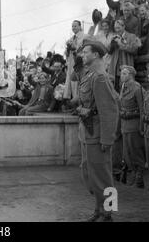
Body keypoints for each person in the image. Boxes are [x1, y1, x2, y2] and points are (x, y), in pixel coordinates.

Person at [77, 40, 119, 222]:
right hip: (88, 131)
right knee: (91, 174)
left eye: (86, 52)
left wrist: (107, 139)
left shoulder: (100, 77)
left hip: (98, 134)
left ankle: (108, 212)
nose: (82, 55)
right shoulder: (89, 75)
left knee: (103, 175)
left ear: (95, 55)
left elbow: (109, 110)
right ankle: (99, 209)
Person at [119, 66, 145, 188]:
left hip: (134, 124)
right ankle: (133, 173)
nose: (122, 75)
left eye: (124, 73)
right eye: (122, 73)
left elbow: (142, 109)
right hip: (125, 124)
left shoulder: (137, 88)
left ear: (131, 75)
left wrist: (141, 127)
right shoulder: (123, 87)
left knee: (136, 151)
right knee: (127, 152)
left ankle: (139, 176)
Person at [108, 19, 141, 92]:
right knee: (115, 91)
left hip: (127, 67)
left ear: (124, 27)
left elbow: (134, 50)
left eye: (118, 28)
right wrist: (111, 46)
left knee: (128, 90)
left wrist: (121, 45)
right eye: (115, 28)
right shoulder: (114, 37)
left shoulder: (131, 36)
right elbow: (109, 52)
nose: (117, 30)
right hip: (115, 69)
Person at [64, 20, 89, 100]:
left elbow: (85, 49)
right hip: (71, 63)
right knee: (71, 82)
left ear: (80, 26)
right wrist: (68, 50)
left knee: (78, 82)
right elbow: (67, 53)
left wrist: (75, 49)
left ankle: (79, 102)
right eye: (72, 26)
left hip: (80, 62)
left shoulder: (85, 36)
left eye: (75, 26)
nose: (73, 28)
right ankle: (72, 101)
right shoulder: (70, 39)